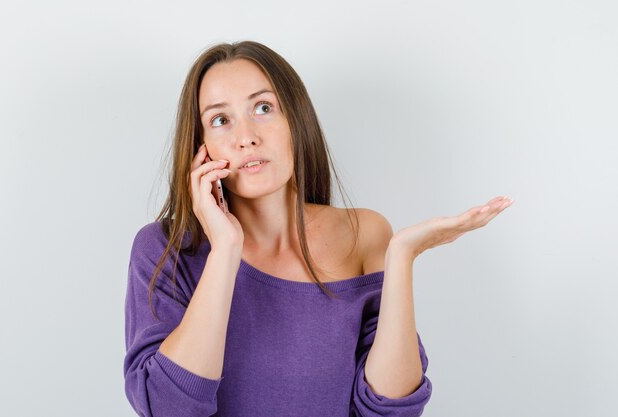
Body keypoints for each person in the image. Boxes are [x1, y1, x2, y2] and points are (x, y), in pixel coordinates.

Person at [123, 40, 514, 417]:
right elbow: (168, 408)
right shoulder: (165, 249)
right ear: (200, 146)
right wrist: (225, 250)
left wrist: (402, 256)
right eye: (221, 120)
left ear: (296, 119)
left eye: (263, 107)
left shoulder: (365, 233)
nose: (247, 138)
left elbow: (390, 409)